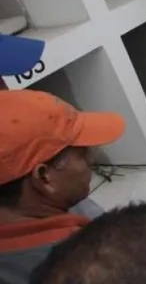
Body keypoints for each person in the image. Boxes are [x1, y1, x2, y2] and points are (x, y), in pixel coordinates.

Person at [0, 90, 125, 284]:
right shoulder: (86, 268)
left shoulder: (51, 203)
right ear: (44, 177)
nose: (91, 160)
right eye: (82, 154)